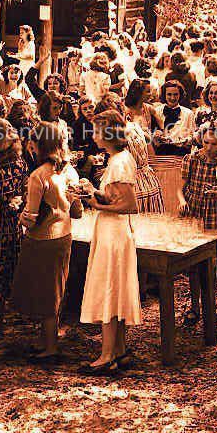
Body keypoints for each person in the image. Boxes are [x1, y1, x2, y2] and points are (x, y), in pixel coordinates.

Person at [10, 121, 80, 361]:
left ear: (38, 145)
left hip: (43, 238)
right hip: (65, 234)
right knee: (56, 288)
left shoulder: (38, 176)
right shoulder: (67, 171)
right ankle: (46, 339)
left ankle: (50, 346)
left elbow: (31, 218)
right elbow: (76, 208)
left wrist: (18, 212)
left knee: (45, 293)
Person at [79, 110, 140, 374]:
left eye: (96, 131)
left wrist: (96, 205)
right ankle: (119, 349)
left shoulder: (118, 163)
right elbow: (116, 196)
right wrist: (94, 192)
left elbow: (129, 204)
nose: (93, 136)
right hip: (113, 230)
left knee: (109, 288)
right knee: (116, 289)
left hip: (113, 233)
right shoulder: (118, 158)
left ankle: (106, 356)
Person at [179, 123, 217, 326]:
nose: (209, 148)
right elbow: (181, 188)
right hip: (193, 210)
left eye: (214, 144)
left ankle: (211, 304)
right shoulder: (192, 159)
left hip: (213, 211)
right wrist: (182, 201)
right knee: (194, 261)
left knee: (213, 260)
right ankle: (195, 306)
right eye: (206, 143)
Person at [0, 118, 29, 345]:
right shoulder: (19, 162)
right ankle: (0, 325)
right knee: (4, 277)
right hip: (12, 225)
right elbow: (25, 192)